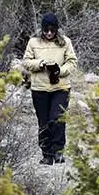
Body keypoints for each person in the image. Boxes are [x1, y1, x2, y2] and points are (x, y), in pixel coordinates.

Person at [21, 13, 77, 165]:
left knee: (58, 119)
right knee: (44, 122)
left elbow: (72, 61)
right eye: (47, 30)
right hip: (39, 88)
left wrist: (60, 70)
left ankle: (58, 152)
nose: (49, 33)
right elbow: (26, 62)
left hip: (61, 86)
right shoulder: (33, 42)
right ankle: (47, 154)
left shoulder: (66, 42)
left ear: (57, 30)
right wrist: (41, 64)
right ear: (42, 29)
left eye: (53, 30)